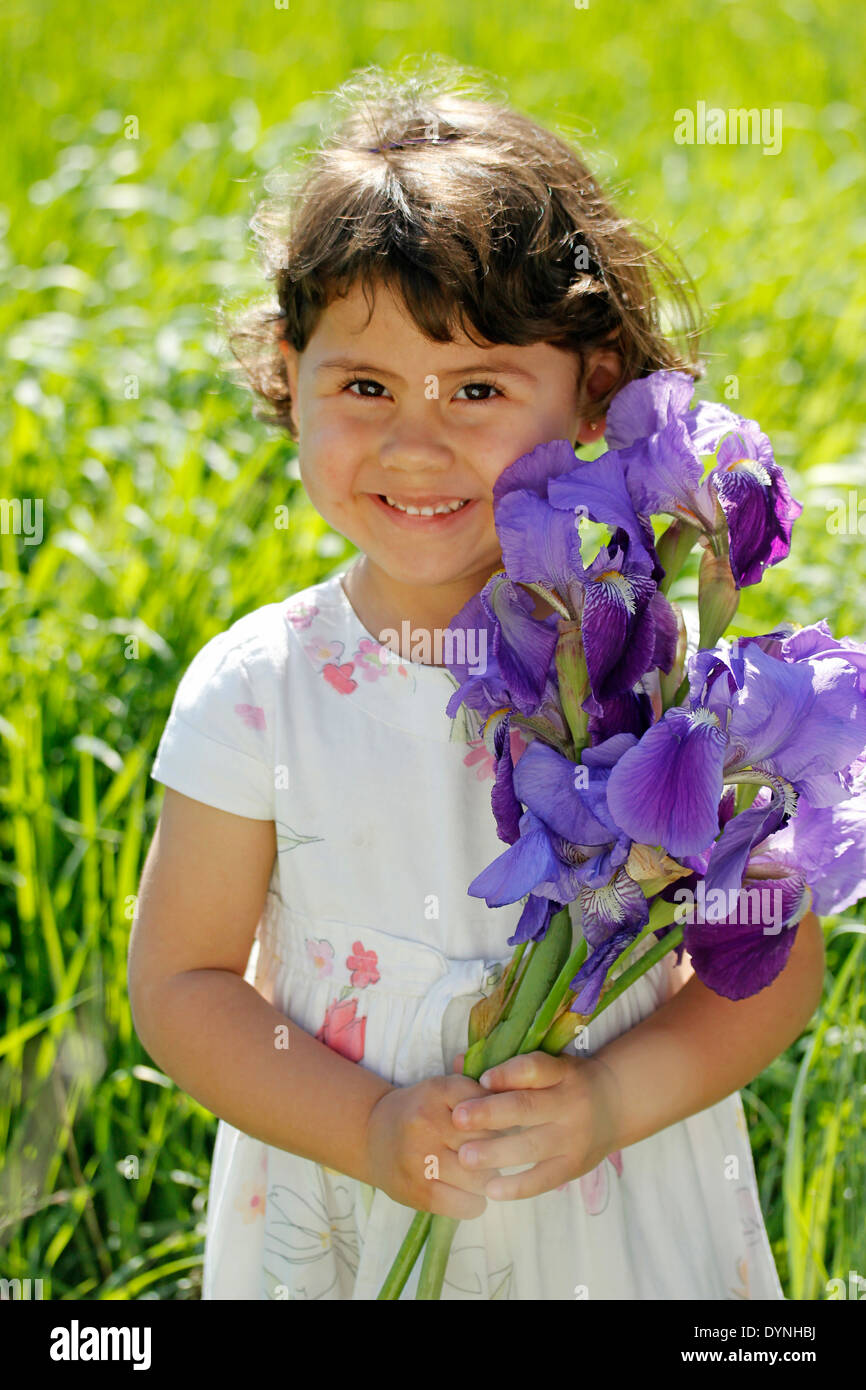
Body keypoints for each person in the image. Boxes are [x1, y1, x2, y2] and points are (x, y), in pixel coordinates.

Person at [128, 60, 823, 1300]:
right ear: (289, 375)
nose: (415, 439)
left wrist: (610, 1100)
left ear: (592, 385)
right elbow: (181, 988)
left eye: (479, 388)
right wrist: (366, 1132)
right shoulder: (257, 687)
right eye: (364, 386)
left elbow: (769, 956)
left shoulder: (664, 681)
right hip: (351, 1203)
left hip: (602, 1208)